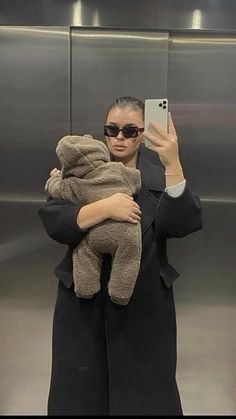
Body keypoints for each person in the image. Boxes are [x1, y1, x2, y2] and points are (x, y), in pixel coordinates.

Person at [38, 96, 203, 416]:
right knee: (81, 395)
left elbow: (183, 223)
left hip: (144, 311)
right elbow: (54, 220)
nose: (119, 138)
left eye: (130, 130)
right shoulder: (79, 171)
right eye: (111, 129)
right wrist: (103, 208)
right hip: (83, 308)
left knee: (146, 396)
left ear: (142, 133)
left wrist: (173, 164)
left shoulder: (159, 178)